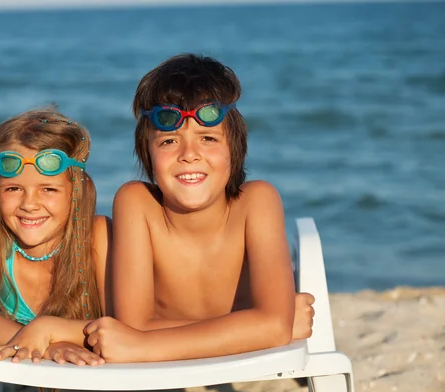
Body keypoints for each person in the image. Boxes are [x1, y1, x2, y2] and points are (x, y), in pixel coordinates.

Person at [84, 53, 316, 362]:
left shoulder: (257, 202)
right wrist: (258, 327)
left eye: (207, 138)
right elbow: (133, 327)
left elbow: (272, 326)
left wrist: (144, 345)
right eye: (169, 141)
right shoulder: (137, 202)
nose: (189, 154)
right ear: (147, 155)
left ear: (235, 150)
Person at [0, 108, 112, 374]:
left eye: (48, 189)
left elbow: (121, 327)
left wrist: (46, 330)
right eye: (14, 189)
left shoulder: (97, 236)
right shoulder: (0, 245)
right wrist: (41, 344)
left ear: (77, 192)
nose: (29, 204)